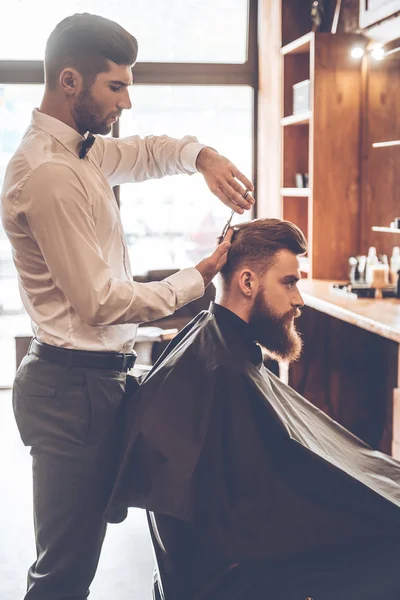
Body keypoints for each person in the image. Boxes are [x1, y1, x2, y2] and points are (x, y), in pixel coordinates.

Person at [0, 12, 255, 600]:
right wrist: (201, 276)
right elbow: (100, 302)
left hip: (100, 385)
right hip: (72, 393)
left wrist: (202, 156)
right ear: (70, 82)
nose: (127, 102)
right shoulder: (47, 175)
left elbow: (144, 153)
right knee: (63, 574)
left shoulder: (84, 154)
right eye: (116, 87)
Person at [108, 218, 400, 600]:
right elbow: (265, 512)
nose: (299, 300)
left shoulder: (210, 339)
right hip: (233, 578)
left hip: (209, 564)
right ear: (247, 282)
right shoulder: (224, 370)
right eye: (289, 282)